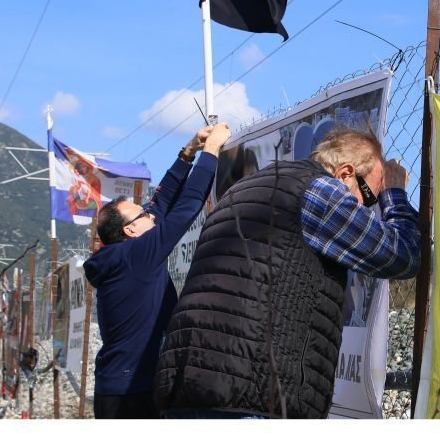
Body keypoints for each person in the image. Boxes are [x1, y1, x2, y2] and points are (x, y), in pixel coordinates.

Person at [155, 128, 420, 419]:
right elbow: (403, 255)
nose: (367, 209)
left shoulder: (242, 190)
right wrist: (394, 194)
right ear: (345, 173)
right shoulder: (318, 190)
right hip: (252, 395)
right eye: (369, 197)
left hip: (187, 383)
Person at [83, 123, 231, 419]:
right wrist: (211, 151)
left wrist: (188, 152)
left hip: (120, 385)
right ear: (130, 230)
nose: (150, 213)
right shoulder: (136, 256)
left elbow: (161, 202)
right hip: (130, 395)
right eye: (142, 213)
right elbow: (186, 207)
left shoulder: (125, 253)